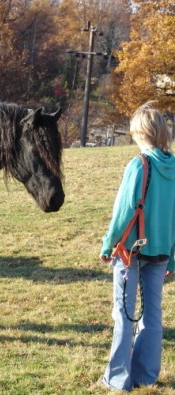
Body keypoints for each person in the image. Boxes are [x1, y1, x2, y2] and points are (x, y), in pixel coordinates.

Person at [99, 101, 175, 391]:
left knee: (124, 314)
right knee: (153, 314)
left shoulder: (139, 164)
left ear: (139, 133)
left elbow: (124, 211)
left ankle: (118, 379)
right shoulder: (174, 166)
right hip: (163, 251)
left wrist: (108, 245)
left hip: (131, 251)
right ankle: (146, 376)